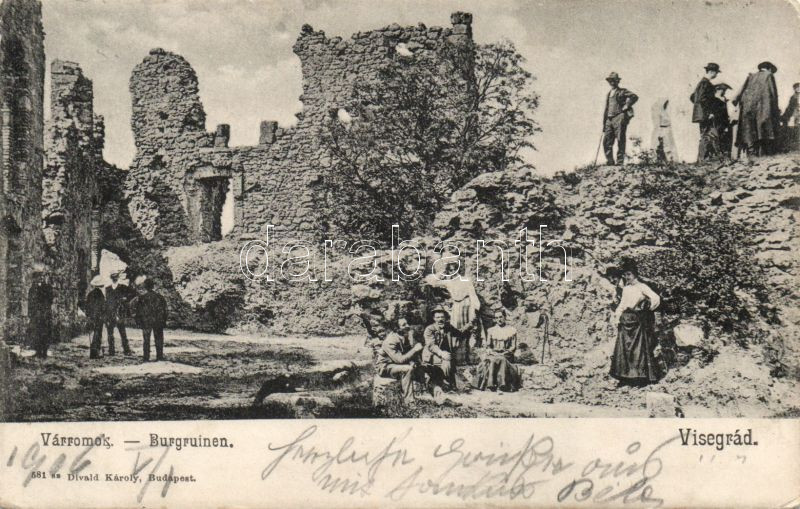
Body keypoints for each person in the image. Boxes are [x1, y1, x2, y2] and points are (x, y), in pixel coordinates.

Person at [610, 259, 662, 386]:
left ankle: (640, 378)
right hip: (625, 321)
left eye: (629, 274)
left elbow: (656, 298)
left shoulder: (642, 287)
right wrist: (617, 317)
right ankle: (626, 378)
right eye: (625, 275)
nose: (627, 277)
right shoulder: (626, 289)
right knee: (624, 350)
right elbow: (622, 305)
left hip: (637, 322)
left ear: (635, 274)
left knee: (637, 350)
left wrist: (647, 308)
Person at [423, 260, 483, 361]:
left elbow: (472, 295)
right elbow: (431, 281)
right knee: (456, 331)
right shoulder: (448, 282)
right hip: (456, 306)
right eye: (450, 270)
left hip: (467, 305)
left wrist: (475, 309)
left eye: (455, 269)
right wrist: (442, 272)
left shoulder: (466, 280)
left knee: (470, 329)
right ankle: (458, 357)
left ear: (458, 270)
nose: (453, 272)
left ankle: (470, 356)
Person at [375, 318, 428, 404]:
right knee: (407, 369)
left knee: (421, 366)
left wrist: (413, 361)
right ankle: (409, 401)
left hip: (396, 364)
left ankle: (423, 393)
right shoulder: (390, 341)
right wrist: (415, 350)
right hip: (385, 367)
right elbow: (399, 360)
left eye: (407, 323)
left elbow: (407, 353)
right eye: (404, 325)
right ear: (396, 328)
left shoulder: (404, 336)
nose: (407, 326)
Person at [733, 61, 780, 158]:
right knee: (763, 129)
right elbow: (772, 93)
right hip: (762, 107)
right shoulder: (769, 75)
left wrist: (736, 101)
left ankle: (752, 154)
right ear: (769, 69)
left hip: (747, 107)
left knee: (749, 130)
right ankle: (763, 154)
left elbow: (740, 91)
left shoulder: (751, 76)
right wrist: (775, 108)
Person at [423, 305, 471, 391]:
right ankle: (442, 384)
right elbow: (431, 345)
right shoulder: (429, 329)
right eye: (437, 317)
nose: (440, 319)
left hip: (445, 354)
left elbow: (459, 333)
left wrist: (469, 325)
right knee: (447, 360)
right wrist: (442, 353)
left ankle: (448, 384)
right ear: (434, 318)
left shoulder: (448, 327)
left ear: (445, 318)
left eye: (442, 317)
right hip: (431, 355)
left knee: (450, 360)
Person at [474, 309, 521, 393]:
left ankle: (502, 385)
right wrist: (491, 351)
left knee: (502, 359)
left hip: (506, 354)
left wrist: (505, 352)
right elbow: (488, 345)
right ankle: (491, 384)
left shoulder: (511, 330)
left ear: (505, 317)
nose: (499, 319)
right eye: (496, 318)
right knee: (492, 360)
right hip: (494, 353)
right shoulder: (491, 330)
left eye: (501, 317)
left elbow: (513, 346)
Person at [602, 72, 638, 166]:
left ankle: (620, 162)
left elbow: (634, 96)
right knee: (606, 141)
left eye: (614, 80)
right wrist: (604, 123)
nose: (612, 82)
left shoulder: (622, 91)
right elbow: (607, 108)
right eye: (610, 81)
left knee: (620, 139)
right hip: (609, 119)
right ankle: (610, 161)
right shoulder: (609, 94)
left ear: (617, 81)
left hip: (619, 117)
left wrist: (627, 105)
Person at [690, 63, 721, 161]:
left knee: (708, 134)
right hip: (705, 114)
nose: (716, 75)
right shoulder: (706, 84)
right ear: (711, 72)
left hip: (701, 114)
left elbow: (693, 97)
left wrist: (698, 108)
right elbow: (703, 99)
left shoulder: (701, 83)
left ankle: (705, 158)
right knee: (707, 135)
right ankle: (702, 159)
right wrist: (709, 113)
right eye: (716, 72)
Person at [133, 278, 168, 361]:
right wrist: (164, 321)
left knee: (146, 340)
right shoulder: (160, 297)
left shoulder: (142, 298)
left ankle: (146, 357)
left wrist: (138, 321)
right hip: (158, 321)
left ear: (145, 287)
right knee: (159, 339)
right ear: (153, 286)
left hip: (146, 321)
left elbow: (139, 311)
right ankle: (159, 357)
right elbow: (165, 311)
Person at [27, 264, 54, 359]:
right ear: (34, 278)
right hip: (35, 315)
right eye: (38, 277)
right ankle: (38, 351)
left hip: (44, 314)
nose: (40, 278)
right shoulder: (32, 289)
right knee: (36, 333)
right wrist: (30, 314)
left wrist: (45, 310)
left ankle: (44, 352)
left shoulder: (47, 287)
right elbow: (30, 302)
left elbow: (50, 300)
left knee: (45, 333)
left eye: (41, 276)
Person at [104, 271, 133, 356]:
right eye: (113, 277)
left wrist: (125, 299)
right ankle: (111, 350)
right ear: (111, 278)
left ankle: (126, 350)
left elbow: (131, 295)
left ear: (118, 277)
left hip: (120, 312)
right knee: (110, 333)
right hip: (110, 313)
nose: (115, 278)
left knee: (122, 332)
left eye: (116, 276)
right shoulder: (108, 288)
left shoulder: (123, 287)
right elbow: (107, 301)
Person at [81, 275, 106, 359]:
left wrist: (88, 315)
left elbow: (87, 306)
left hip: (92, 317)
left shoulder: (90, 294)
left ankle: (93, 352)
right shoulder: (101, 295)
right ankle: (95, 352)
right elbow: (103, 306)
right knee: (97, 334)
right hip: (99, 317)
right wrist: (103, 315)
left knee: (93, 334)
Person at [712, 83, 733, 159]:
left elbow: (725, 112)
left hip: (724, 121)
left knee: (724, 137)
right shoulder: (714, 99)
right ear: (718, 90)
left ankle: (725, 155)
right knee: (717, 137)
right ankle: (718, 155)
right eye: (723, 90)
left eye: (725, 90)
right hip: (717, 121)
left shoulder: (723, 99)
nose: (724, 92)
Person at [780, 82, 800, 151]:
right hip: (797, 115)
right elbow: (790, 107)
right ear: (795, 89)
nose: (798, 89)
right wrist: (785, 116)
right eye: (797, 88)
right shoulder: (793, 97)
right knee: (797, 129)